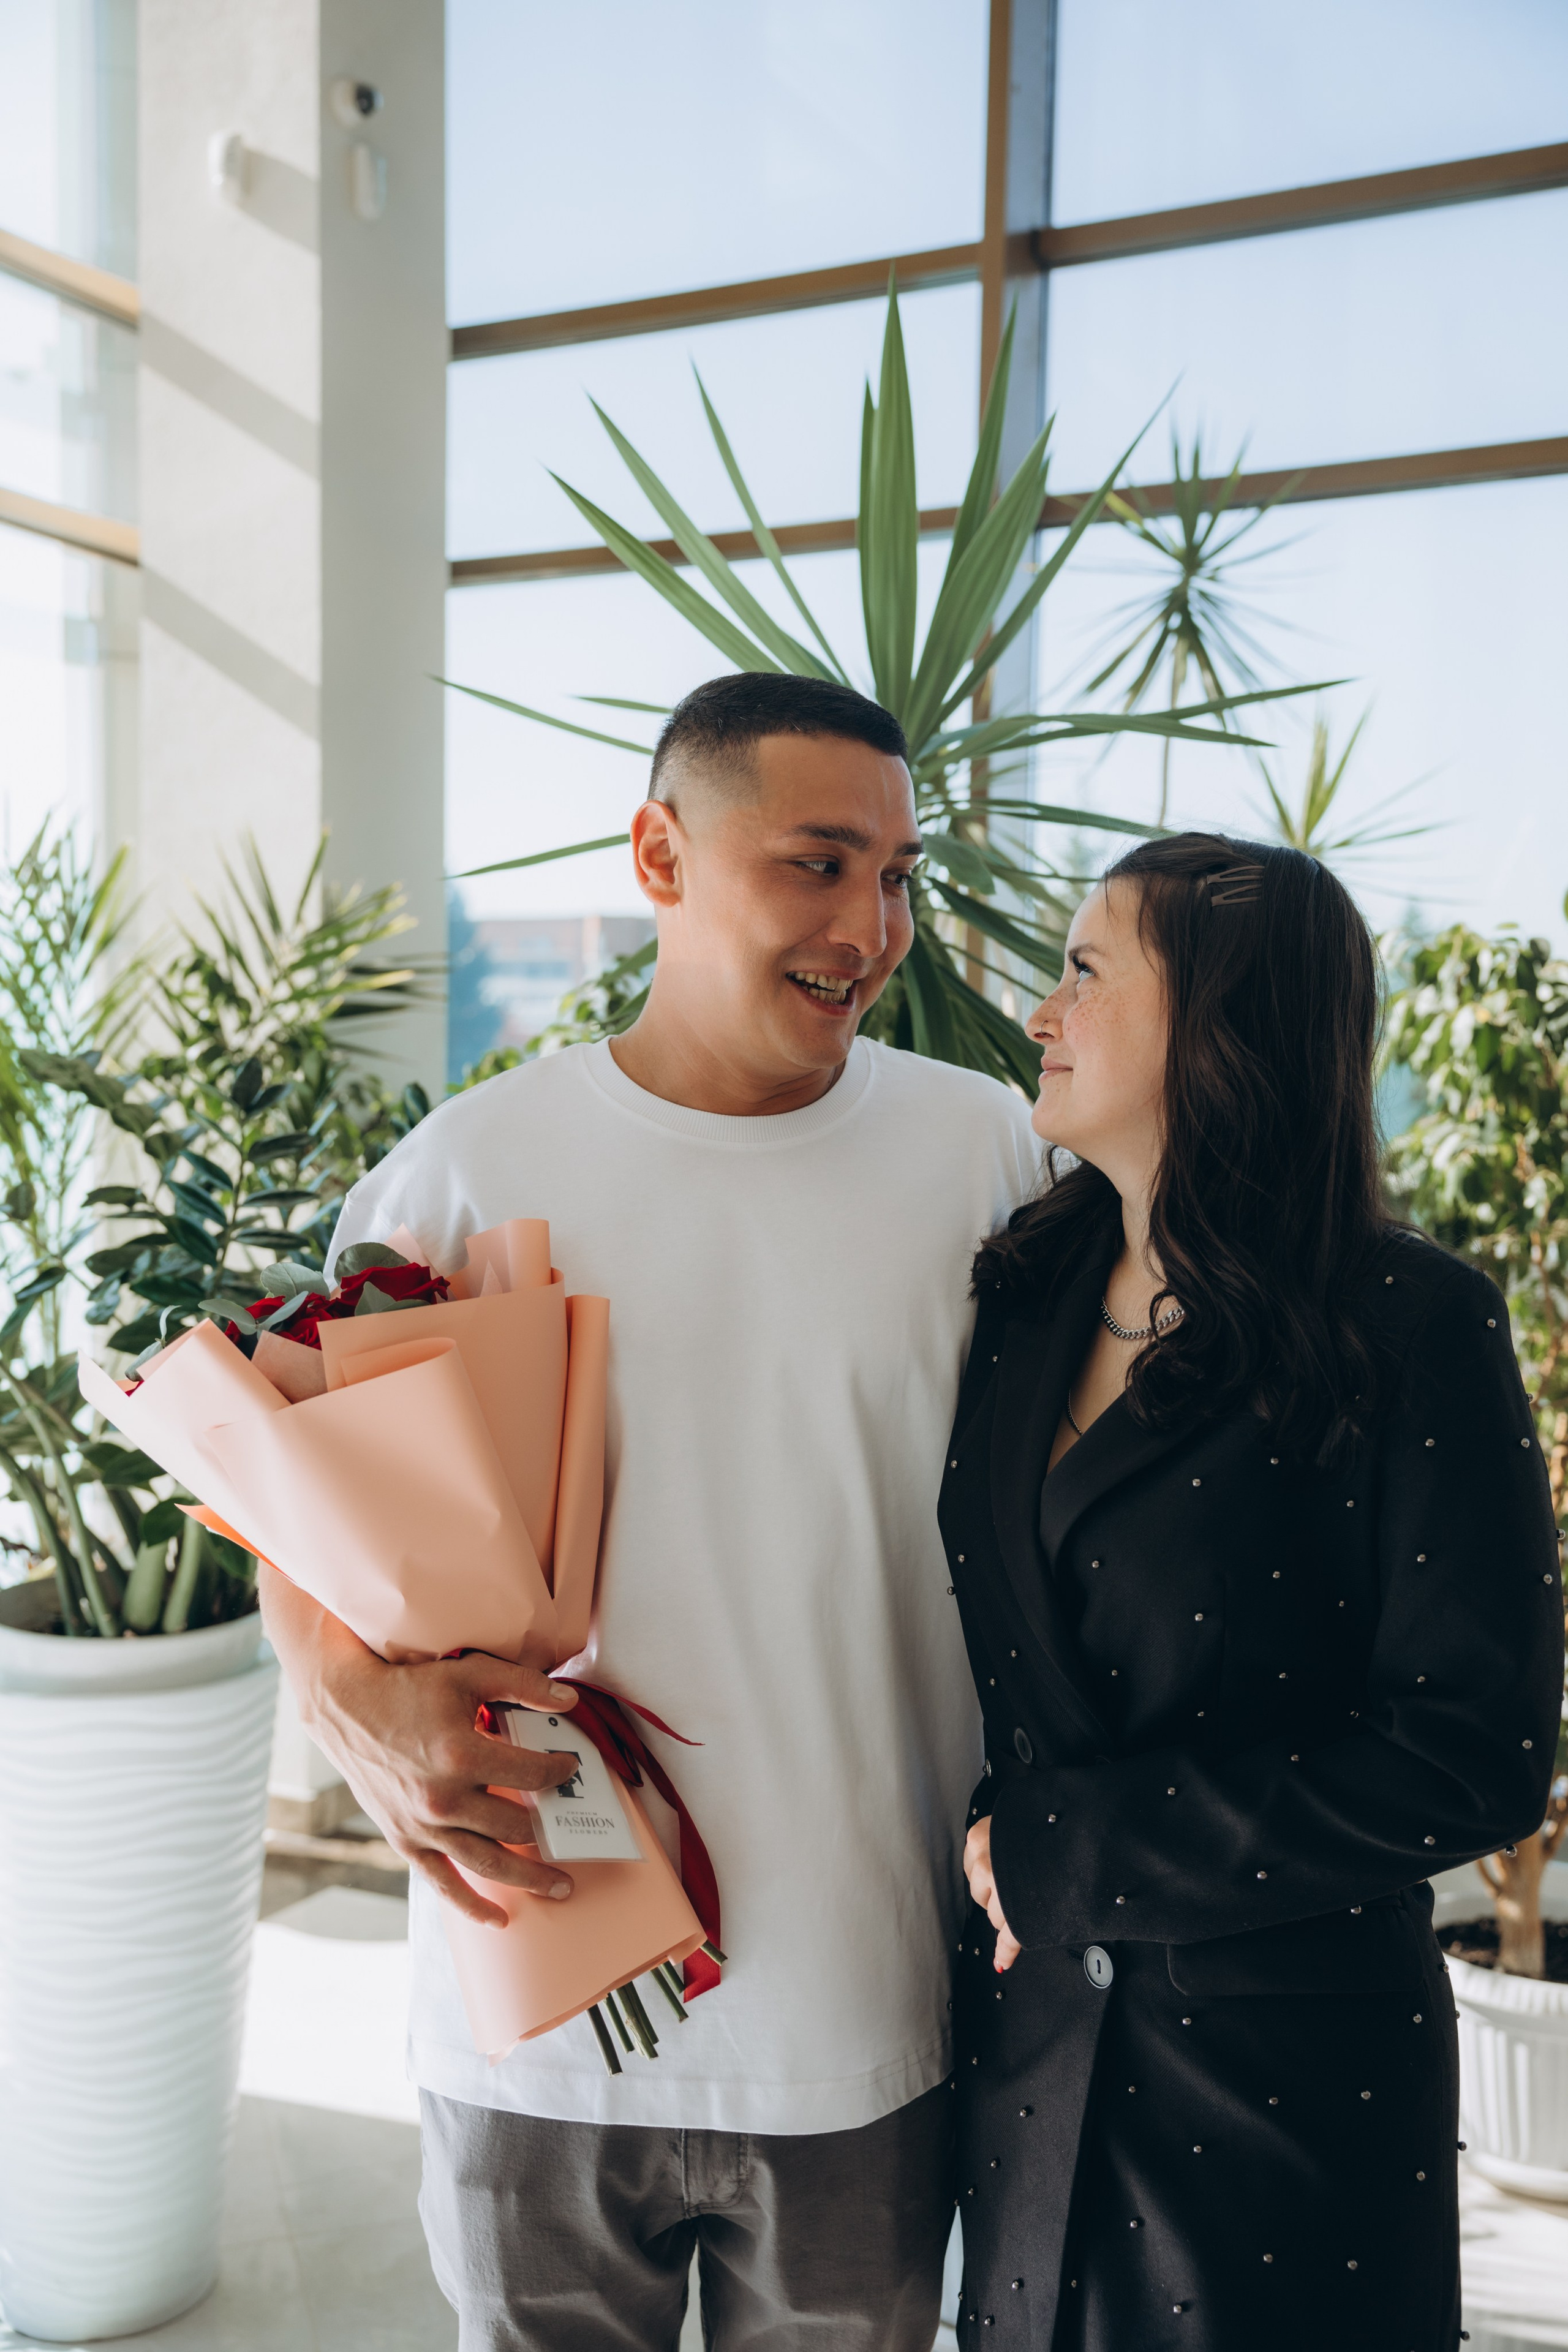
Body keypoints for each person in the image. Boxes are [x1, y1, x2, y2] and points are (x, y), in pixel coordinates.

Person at [259, 672, 1039, 2351]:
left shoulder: (993, 1164)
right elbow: (302, 1519)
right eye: (820, 864)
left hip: (867, 2013)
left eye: (899, 876)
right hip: (534, 2012)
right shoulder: (464, 1173)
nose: (873, 924)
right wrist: (343, 1698)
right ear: (661, 856)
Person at [943, 832, 1562, 2351]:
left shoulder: (1410, 1322)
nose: (1041, 1009)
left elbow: (1472, 1754)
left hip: (1286, 2099)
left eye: (1085, 971)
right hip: (1030, 2067)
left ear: (1215, 1026)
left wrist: (1064, 1850)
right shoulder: (1019, 1295)